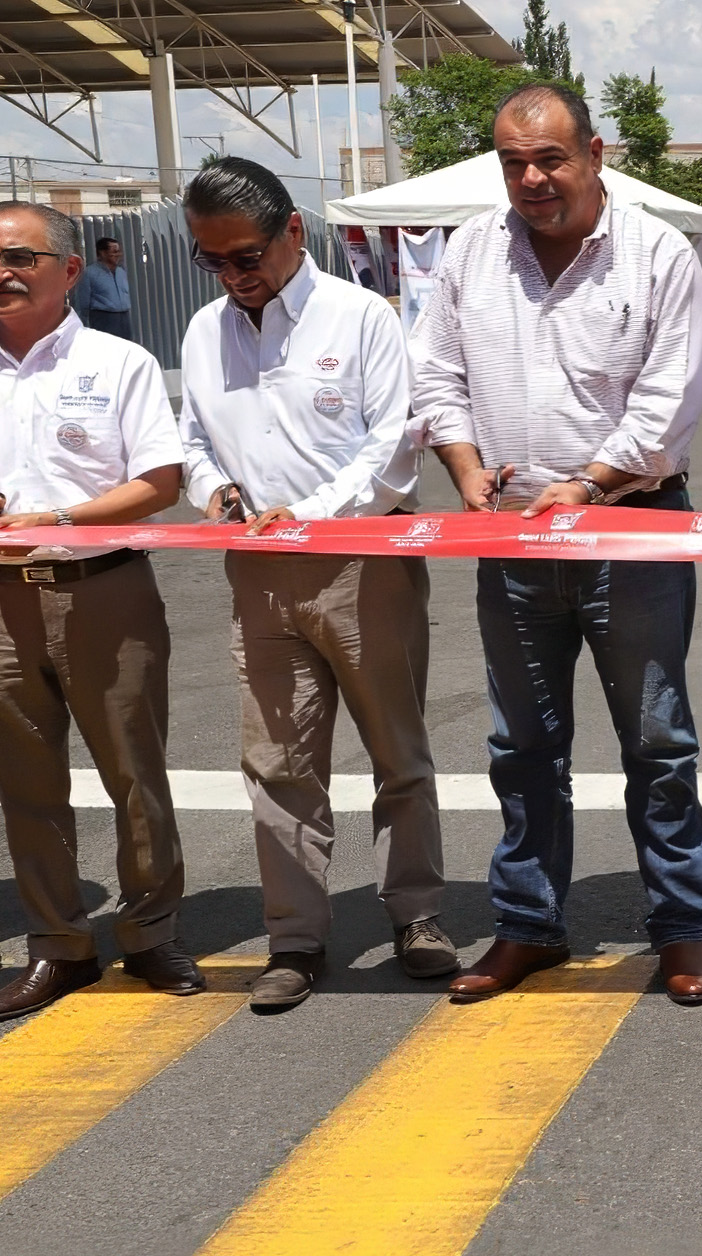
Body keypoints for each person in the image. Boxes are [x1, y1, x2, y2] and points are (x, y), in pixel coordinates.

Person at [413, 83, 702, 1005]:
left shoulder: (658, 253)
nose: (533, 179)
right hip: (511, 538)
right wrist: (464, 470)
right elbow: (436, 375)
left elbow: (670, 401)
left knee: (657, 743)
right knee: (522, 746)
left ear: (593, 152)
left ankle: (680, 926)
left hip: (631, 527)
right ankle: (529, 925)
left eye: (549, 159)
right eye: (513, 163)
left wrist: (587, 484)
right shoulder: (472, 252)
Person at [175, 158, 449, 1011]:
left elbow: (392, 448)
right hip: (257, 574)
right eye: (211, 260)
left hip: (363, 564)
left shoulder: (361, 317)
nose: (233, 275)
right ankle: (295, 938)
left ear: (293, 231)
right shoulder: (203, 332)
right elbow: (192, 441)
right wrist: (212, 491)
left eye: (245, 255)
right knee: (277, 763)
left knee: (396, 753)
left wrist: (311, 513)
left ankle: (416, 914)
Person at [0, 201, 197, 1019]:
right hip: (4, 602)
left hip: (103, 589)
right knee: (27, 783)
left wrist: (60, 518)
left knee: (133, 773)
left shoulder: (119, 363)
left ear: (69, 270)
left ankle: (149, 931)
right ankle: (61, 945)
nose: (2, 272)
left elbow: (160, 480)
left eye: (19, 256)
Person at [79, 236, 133, 340]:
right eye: (114, 251)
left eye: (119, 252)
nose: (118, 255)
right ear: (103, 253)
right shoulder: (90, 273)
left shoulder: (121, 272)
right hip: (104, 318)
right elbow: (82, 303)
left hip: (124, 318)